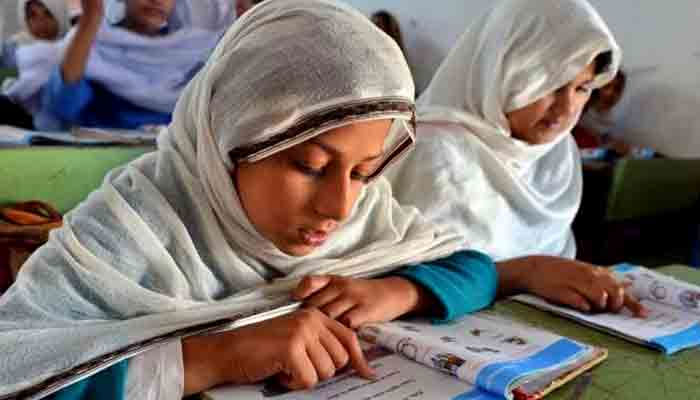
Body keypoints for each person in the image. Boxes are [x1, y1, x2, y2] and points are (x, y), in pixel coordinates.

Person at [0, 1, 498, 398]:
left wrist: (395, 293)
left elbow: (473, 267)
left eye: (365, 172)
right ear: (228, 139)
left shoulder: (364, 212)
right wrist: (217, 356)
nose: (340, 208)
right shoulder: (134, 226)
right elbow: (15, 366)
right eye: (311, 167)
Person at [386, 0, 648, 315]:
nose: (566, 111)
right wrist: (530, 274)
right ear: (502, 69)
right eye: (551, 86)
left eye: (582, 88)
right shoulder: (433, 150)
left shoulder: (555, 153)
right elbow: (401, 285)